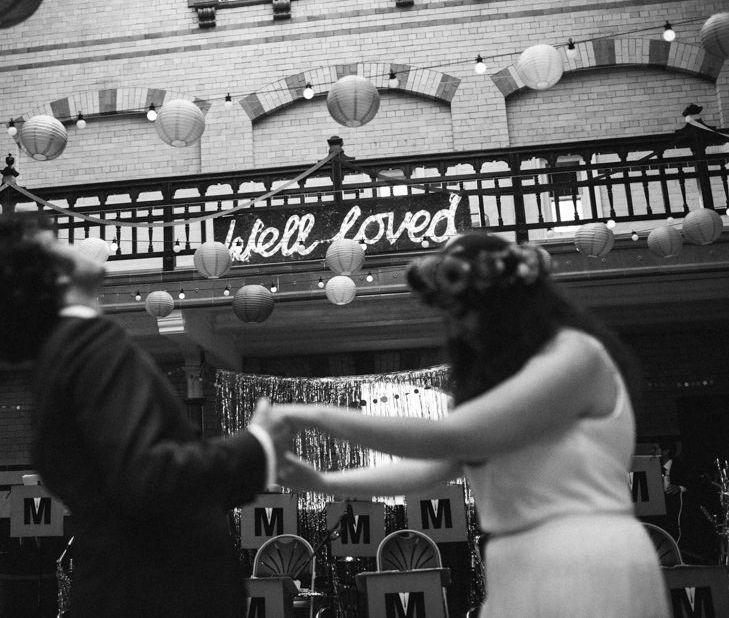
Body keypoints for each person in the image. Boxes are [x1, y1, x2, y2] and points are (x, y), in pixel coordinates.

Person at [273, 231, 670, 617]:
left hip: (587, 557)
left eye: (472, 311)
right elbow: (433, 469)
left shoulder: (576, 354)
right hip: (515, 564)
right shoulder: (511, 383)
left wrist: (313, 414)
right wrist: (324, 484)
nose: (464, 327)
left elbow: (452, 437)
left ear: (515, 303)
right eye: (454, 314)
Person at [0, 212, 288, 618]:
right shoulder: (91, 344)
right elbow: (149, 477)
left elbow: (139, 491)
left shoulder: (56, 362)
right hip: (155, 596)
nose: (75, 244)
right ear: (54, 274)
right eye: (59, 242)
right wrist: (257, 443)